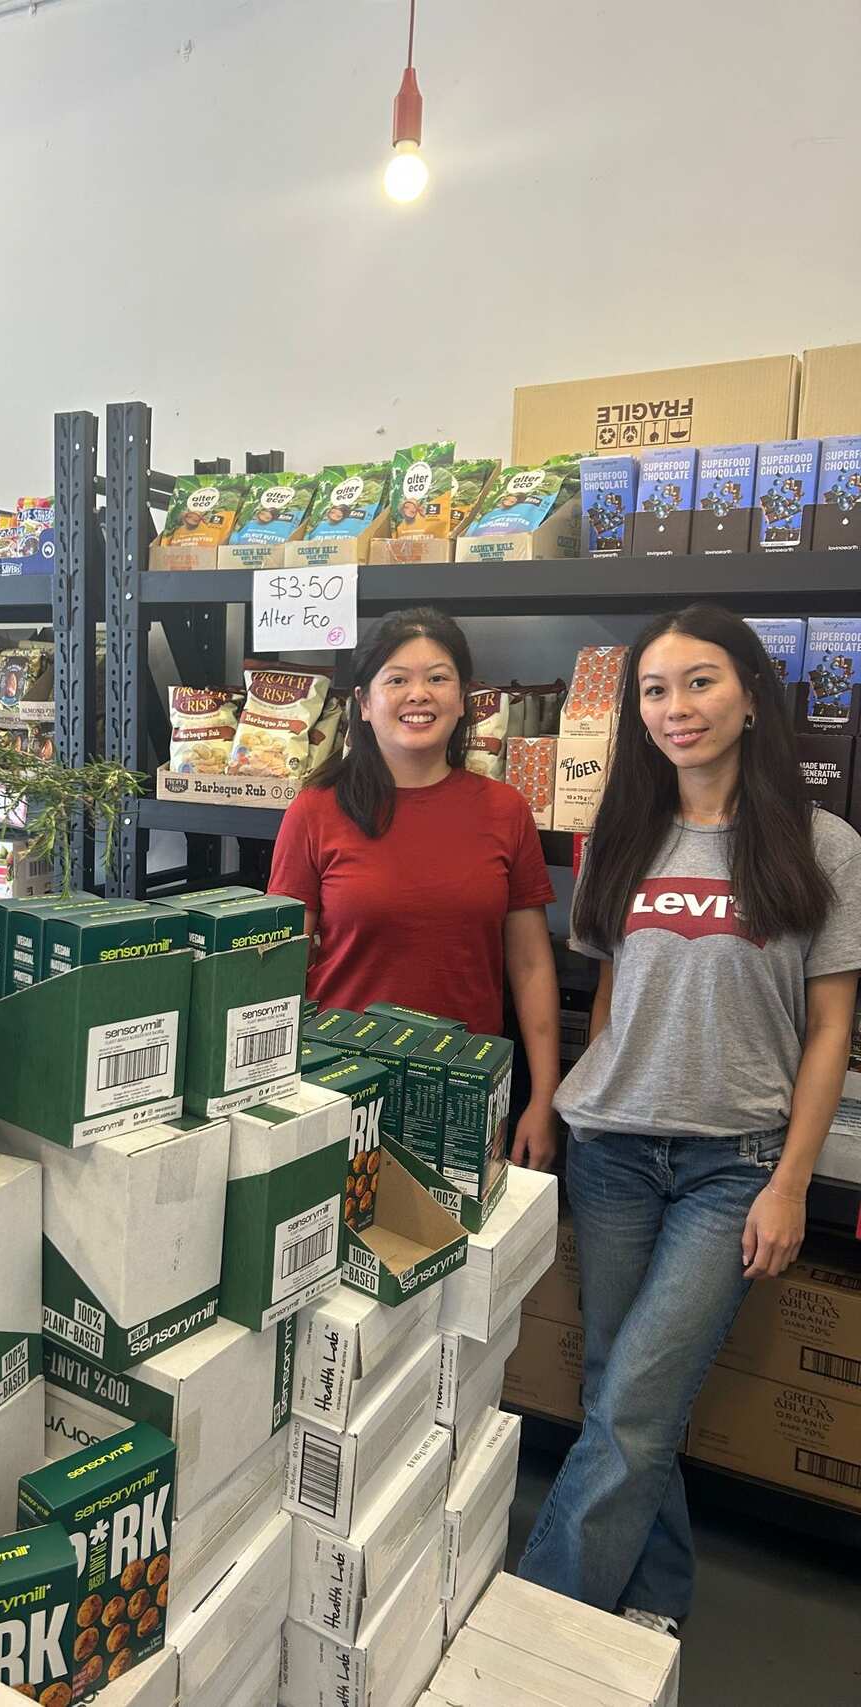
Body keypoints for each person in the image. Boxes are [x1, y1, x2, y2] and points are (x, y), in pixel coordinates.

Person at [518, 604, 861, 1634]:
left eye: (700, 681)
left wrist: (787, 1182)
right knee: (621, 1391)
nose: (677, 708)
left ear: (751, 696)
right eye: (655, 691)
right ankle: (651, 1607)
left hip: (732, 1166)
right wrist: (595, 1092)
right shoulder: (619, 833)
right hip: (611, 1148)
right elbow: (616, 992)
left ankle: (533, 1633)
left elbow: (827, 1033)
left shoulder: (821, 845)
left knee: (631, 1404)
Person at [268, 607, 560, 1169]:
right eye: (397, 679)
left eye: (438, 677)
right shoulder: (315, 810)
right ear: (365, 702)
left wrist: (544, 1099)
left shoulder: (504, 810)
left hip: (465, 1087)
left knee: (462, 1251)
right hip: (337, 1084)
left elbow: (530, 966)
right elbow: (282, 965)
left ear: (464, 697)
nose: (418, 694)